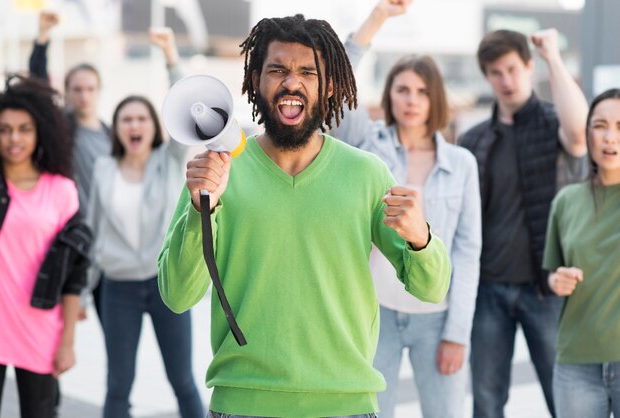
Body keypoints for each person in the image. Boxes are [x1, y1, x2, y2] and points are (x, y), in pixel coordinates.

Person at [158, 13, 451, 418]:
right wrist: (198, 208)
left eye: (307, 73)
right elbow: (176, 295)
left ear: (328, 86)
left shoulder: (367, 173)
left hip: (346, 406)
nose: (291, 82)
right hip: (242, 405)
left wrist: (421, 238)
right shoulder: (215, 172)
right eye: (277, 70)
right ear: (256, 80)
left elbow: (433, 288)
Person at [329, 1, 482, 417]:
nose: (412, 100)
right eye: (402, 89)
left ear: (435, 98)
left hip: (437, 318)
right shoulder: (365, 145)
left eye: (421, 91)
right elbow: (334, 82)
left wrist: (458, 334)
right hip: (374, 312)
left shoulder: (462, 163)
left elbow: (468, 253)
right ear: (389, 94)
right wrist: (376, 19)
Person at [458, 28, 589, 418]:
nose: (506, 80)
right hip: (488, 291)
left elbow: (580, 134)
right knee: (486, 400)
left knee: (563, 397)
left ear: (529, 68)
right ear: (487, 77)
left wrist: (553, 55)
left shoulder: (553, 125)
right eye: (496, 72)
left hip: (544, 289)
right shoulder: (474, 140)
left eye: (513, 69)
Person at [85, 28, 205, 418]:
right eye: (125, 119)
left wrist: (171, 55)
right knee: (118, 386)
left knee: (183, 381)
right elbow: (93, 227)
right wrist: (85, 289)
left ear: (154, 126)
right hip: (117, 287)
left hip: (164, 284)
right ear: (117, 128)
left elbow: (189, 107)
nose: (134, 124)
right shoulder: (103, 168)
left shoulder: (168, 161)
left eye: (141, 118)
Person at [0, 76, 91, 418]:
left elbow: (74, 274)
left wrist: (67, 343)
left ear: (40, 134)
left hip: (40, 327)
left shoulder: (62, 190)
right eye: (4, 129)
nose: (14, 138)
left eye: (24, 128)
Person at [29, 10, 112, 322]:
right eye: (77, 89)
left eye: (90, 88)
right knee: (55, 331)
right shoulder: (61, 129)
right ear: (67, 92)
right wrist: (42, 38)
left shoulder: (111, 135)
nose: (84, 95)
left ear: (99, 91)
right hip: (67, 242)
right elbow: (36, 91)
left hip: (104, 249)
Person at [543, 88, 620, 418]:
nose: (609, 137)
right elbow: (551, 273)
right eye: (600, 125)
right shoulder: (566, 201)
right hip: (576, 365)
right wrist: (556, 281)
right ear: (587, 133)